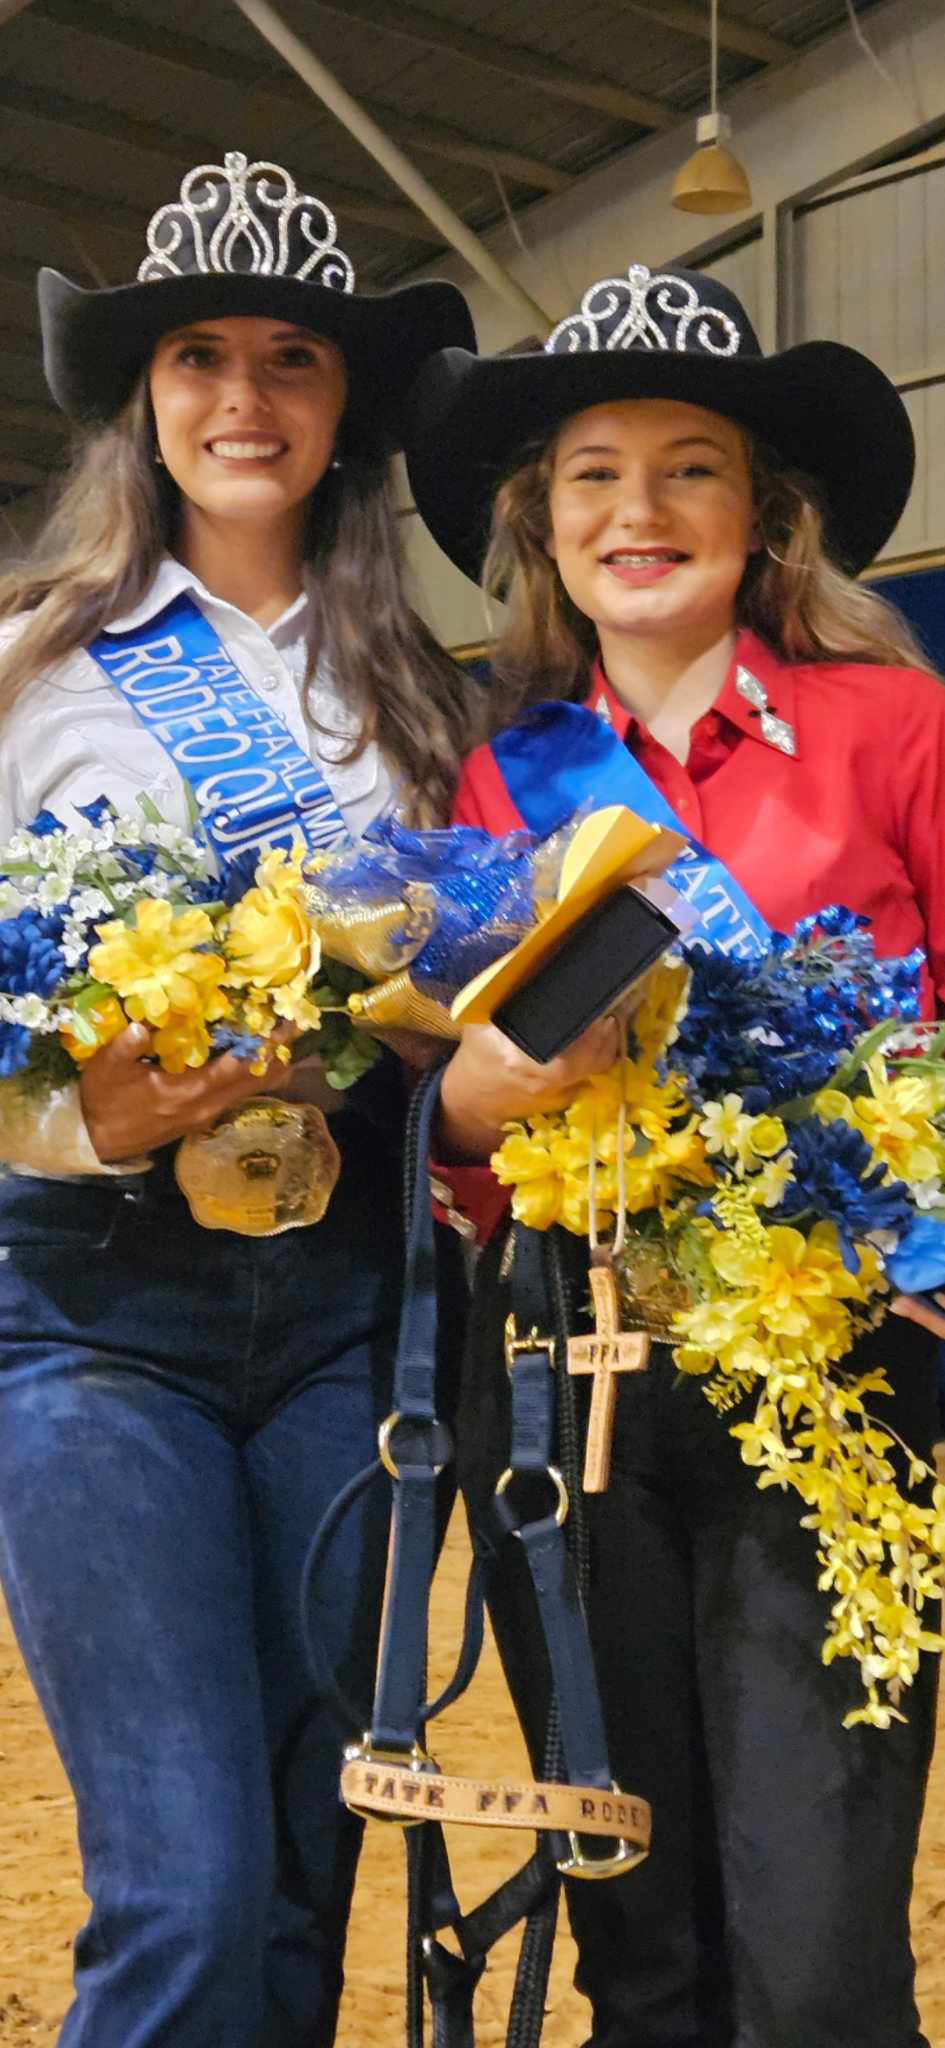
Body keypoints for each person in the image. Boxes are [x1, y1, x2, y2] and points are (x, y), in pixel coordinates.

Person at [404, 262, 945, 2048]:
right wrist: (482, 1100)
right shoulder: (489, 785)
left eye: (690, 466)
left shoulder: (897, 729)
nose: (638, 510)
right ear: (539, 527)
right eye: (593, 474)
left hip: (835, 1369)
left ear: (764, 514)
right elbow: (457, 1143)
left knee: (819, 1957)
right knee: (639, 1950)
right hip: (566, 1383)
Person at [0, 150, 474, 2048]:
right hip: (94, 1313)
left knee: (298, 1886)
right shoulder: (30, 664)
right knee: (186, 1893)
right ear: (144, 394)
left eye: (293, 358)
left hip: (350, 1318)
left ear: (345, 405)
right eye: (199, 355)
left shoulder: (422, 701)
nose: (245, 399)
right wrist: (73, 1123)